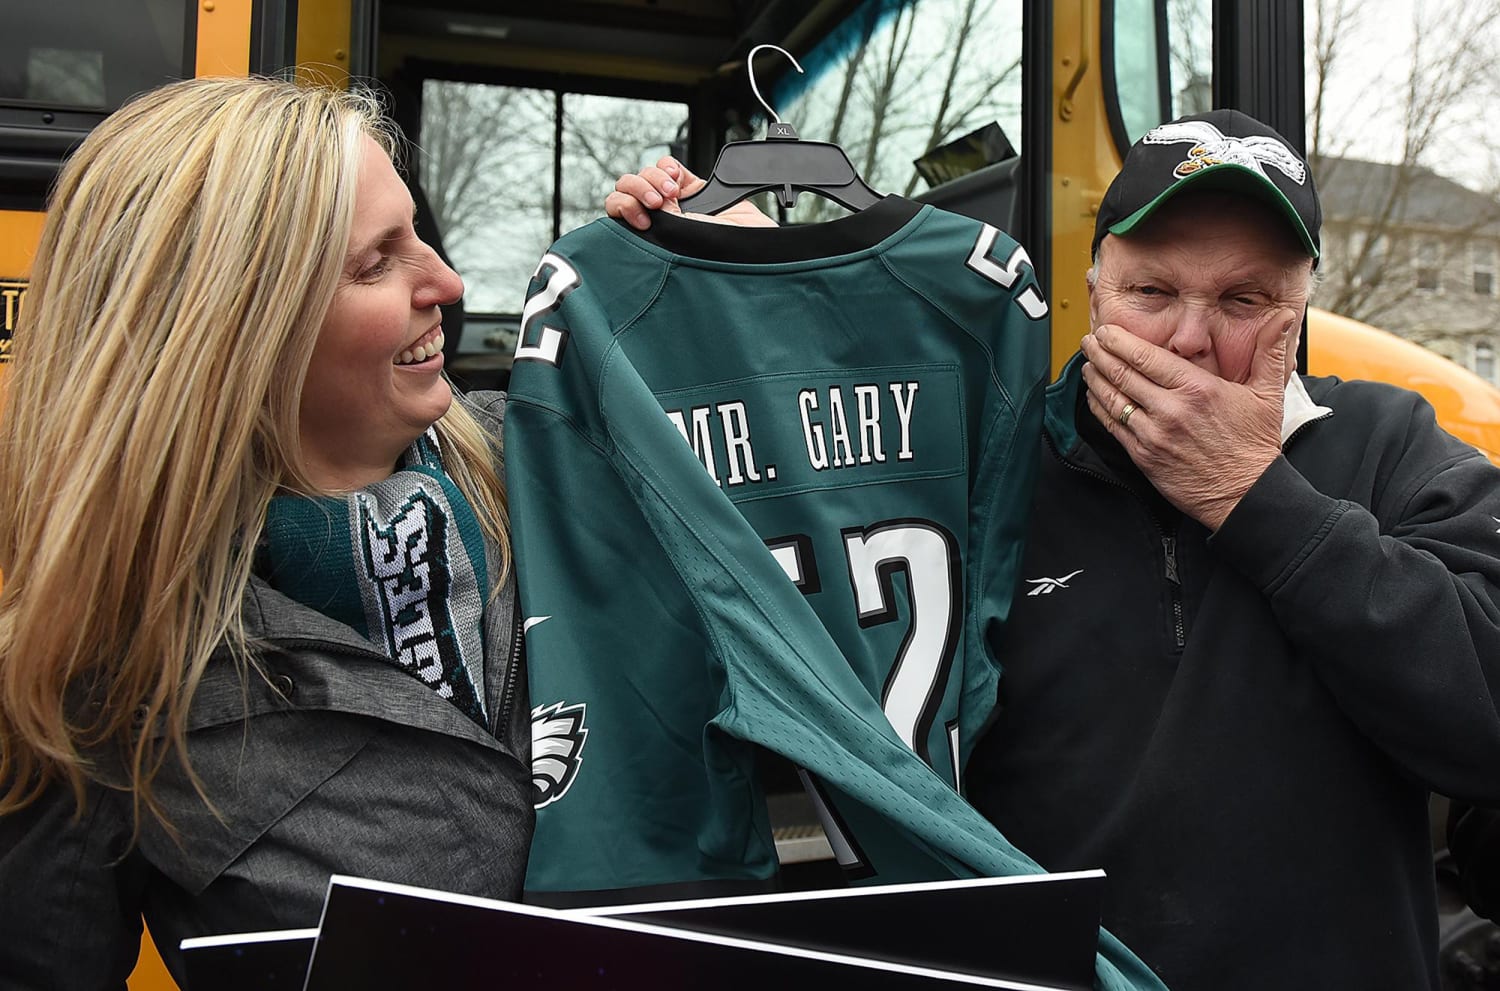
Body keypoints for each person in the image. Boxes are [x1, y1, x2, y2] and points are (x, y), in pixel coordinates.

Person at [605, 108, 1500, 990]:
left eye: (1244, 300)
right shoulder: (978, 460)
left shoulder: (1390, 443)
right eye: (1153, 293)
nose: (1190, 338)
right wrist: (735, 283)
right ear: (1094, 285)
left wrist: (1254, 497)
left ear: (1303, 304)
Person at [0, 76, 531, 988]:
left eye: (420, 237)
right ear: (232, 330)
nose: (446, 282)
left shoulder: (547, 476)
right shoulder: (84, 675)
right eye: (375, 263)